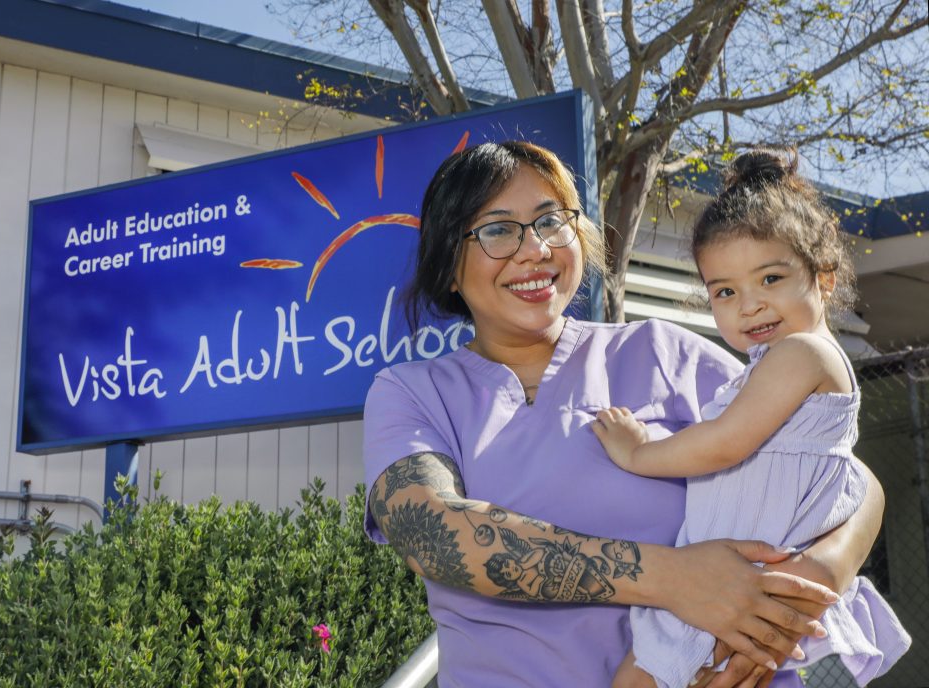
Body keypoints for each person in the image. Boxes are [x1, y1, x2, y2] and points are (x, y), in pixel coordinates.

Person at [362, 140, 885, 687]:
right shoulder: (413, 393)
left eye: (549, 220)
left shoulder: (665, 353)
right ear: (448, 264)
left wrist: (801, 590)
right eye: (496, 229)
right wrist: (674, 579)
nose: (534, 249)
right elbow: (431, 533)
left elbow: (841, 469)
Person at [591, 149, 910, 688]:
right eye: (726, 292)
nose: (750, 306)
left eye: (770, 279)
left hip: (737, 587)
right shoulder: (767, 368)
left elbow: (724, 444)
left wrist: (638, 451)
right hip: (729, 583)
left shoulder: (802, 355)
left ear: (824, 277)